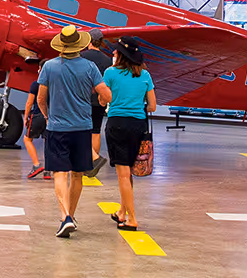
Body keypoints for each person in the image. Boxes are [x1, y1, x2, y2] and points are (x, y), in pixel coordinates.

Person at [36, 25, 110, 239]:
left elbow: (41, 98)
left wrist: (48, 115)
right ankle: (72, 216)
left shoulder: (49, 67)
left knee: (60, 173)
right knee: (77, 175)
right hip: (83, 128)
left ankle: (65, 216)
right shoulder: (89, 67)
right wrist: (104, 101)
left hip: (57, 128)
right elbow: (105, 93)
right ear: (79, 45)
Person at [101, 39, 157, 231]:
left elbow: (102, 100)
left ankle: (132, 219)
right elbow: (152, 106)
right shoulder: (145, 75)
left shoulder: (110, 73)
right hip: (138, 126)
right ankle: (122, 212)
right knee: (128, 173)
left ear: (119, 55)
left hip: (117, 124)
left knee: (123, 175)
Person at [80, 39, 112, 176]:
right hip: (100, 99)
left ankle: (90, 160)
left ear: (89, 42)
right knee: (96, 131)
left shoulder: (82, 57)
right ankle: (94, 162)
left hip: (83, 98)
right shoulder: (108, 60)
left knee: (81, 131)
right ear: (101, 43)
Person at [23, 100, 50, 179]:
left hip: (37, 115)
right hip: (50, 117)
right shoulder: (54, 86)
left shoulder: (35, 86)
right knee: (47, 141)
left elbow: (29, 103)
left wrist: (25, 118)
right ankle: (48, 170)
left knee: (27, 139)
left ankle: (36, 165)